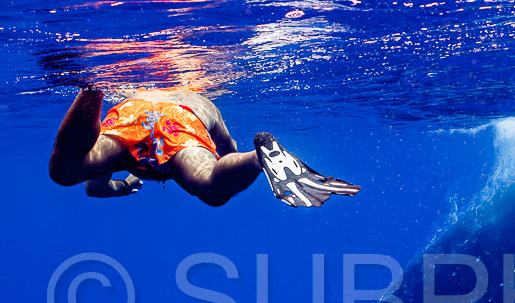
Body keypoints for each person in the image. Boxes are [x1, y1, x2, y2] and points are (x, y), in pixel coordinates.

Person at [48, 87, 360, 207]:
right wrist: (236, 164)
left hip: (132, 115)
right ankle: (259, 157)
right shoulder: (201, 101)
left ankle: (91, 89)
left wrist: (122, 186)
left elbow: (93, 189)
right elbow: (227, 149)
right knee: (209, 184)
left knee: (66, 171)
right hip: (179, 120)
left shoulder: (114, 156)